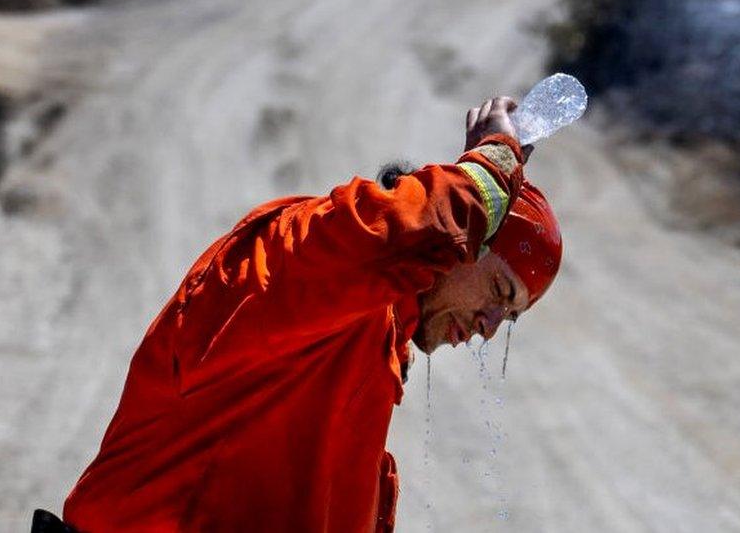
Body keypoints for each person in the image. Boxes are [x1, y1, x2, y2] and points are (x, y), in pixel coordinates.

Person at [38, 96, 563, 532]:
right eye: (498, 290)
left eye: (508, 318)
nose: (488, 326)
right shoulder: (295, 262)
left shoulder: (375, 346)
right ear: (463, 248)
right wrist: (491, 171)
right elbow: (392, 232)